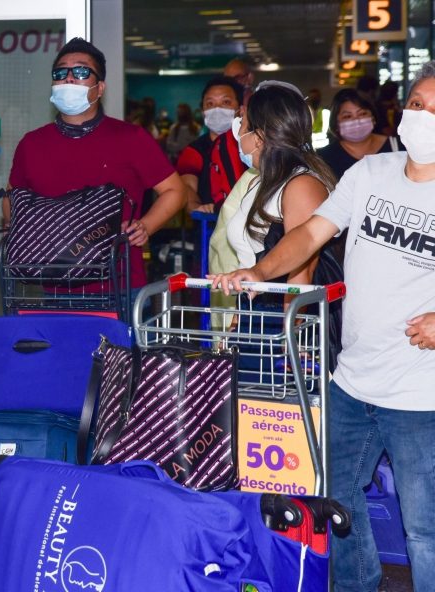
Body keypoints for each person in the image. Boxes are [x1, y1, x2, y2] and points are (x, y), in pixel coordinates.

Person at [210, 61, 435, 592]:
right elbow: (312, 232)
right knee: (336, 501)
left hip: (420, 390)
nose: (423, 115)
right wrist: (261, 271)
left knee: (424, 529)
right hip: (352, 381)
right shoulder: (371, 173)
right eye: (419, 104)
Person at [6, 37, 185, 293]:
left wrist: (146, 225)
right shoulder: (32, 143)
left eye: (80, 71)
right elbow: (12, 198)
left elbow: (175, 191)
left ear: (100, 88)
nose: (69, 78)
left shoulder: (130, 138)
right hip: (53, 283)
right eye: (61, 72)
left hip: (120, 283)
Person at [225, 81, 336, 282]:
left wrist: (292, 315)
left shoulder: (301, 187)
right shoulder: (260, 183)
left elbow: (303, 272)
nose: (238, 134)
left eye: (242, 125)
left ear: (259, 137)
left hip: (281, 310)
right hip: (255, 308)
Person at [176, 75, 247, 213]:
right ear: (203, 112)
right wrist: (197, 208)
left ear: (240, 109)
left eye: (226, 102)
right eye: (210, 104)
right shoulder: (194, 150)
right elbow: (187, 188)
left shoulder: (253, 145)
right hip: (210, 227)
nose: (217, 109)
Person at [318, 88, 402, 181]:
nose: (356, 121)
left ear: (373, 118)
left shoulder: (398, 147)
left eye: (362, 114)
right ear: (336, 124)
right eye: (347, 116)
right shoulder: (324, 159)